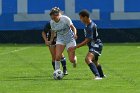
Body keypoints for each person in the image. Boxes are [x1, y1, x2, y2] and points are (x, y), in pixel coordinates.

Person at [70, 10, 105, 80]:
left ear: (85, 17)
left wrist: (75, 47)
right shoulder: (89, 24)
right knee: (95, 61)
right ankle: (101, 75)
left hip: (96, 45)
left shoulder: (90, 27)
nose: (80, 20)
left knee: (87, 59)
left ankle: (97, 76)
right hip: (94, 45)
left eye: (81, 18)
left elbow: (87, 41)